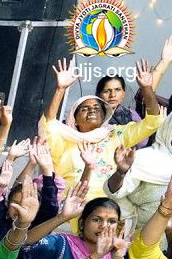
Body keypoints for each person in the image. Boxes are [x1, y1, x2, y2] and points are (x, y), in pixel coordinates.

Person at [44, 58, 162, 200]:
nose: (92, 111)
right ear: (74, 119)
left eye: (96, 108)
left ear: (105, 116)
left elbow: (153, 122)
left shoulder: (116, 134)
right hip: (72, 210)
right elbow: (49, 123)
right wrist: (60, 89)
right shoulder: (64, 138)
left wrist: (146, 89)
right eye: (85, 109)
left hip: (109, 208)